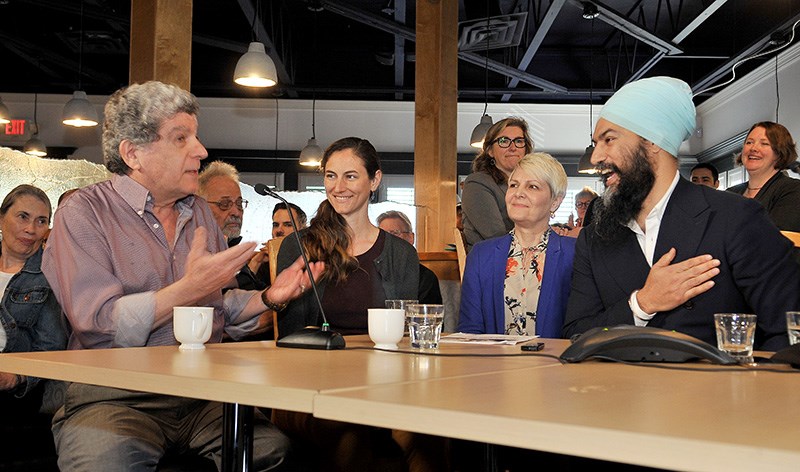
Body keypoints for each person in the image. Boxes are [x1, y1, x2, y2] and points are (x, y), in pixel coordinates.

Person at [42, 81, 323, 471]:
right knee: (104, 464)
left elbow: (213, 305)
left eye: (196, 135)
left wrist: (270, 297)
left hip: (201, 394)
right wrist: (188, 288)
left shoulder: (199, 212)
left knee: (272, 451)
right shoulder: (84, 214)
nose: (201, 150)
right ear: (133, 153)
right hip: (115, 395)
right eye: (181, 138)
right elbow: (97, 325)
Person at [562, 76, 800, 351]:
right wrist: (643, 304)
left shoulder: (735, 218)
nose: (595, 157)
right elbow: (576, 335)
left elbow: (788, 334)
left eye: (609, 140)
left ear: (652, 141)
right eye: (596, 142)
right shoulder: (595, 236)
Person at [274, 138, 438, 472]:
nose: (338, 187)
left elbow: (404, 338)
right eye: (331, 176)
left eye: (350, 176)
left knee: (435, 433)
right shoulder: (299, 247)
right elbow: (292, 338)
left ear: (374, 180)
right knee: (355, 426)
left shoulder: (401, 253)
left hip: (386, 384)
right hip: (311, 387)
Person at [458, 153, 575, 337]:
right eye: (514, 185)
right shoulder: (481, 255)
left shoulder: (575, 254)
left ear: (555, 201)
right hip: (493, 365)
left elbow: (581, 331)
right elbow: (469, 331)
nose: (518, 193)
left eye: (533, 186)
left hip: (556, 364)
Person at [1, 184, 67, 418]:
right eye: (22, 217)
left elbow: (52, 348)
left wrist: (15, 377)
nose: (31, 229)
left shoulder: (51, 275)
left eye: (41, 221)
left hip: (16, 391)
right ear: (2, 218)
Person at [461, 117, 534, 251]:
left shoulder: (531, 185)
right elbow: (497, 237)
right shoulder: (477, 183)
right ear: (490, 151)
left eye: (518, 141)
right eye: (504, 141)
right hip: (491, 262)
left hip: (526, 259)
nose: (513, 148)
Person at [197, 160, 266, 291]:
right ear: (201, 207)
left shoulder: (231, 248)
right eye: (224, 203)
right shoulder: (190, 251)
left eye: (239, 204)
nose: (236, 212)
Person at [727, 121, 800, 232]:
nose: (753, 148)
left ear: (780, 152)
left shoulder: (793, 190)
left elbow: (775, 237)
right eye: (749, 142)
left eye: (764, 143)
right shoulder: (729, 193)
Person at [376, 210, 443, 304]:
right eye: (383, 235)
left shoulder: (425, 277)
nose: (388, 239)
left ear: (410, 238)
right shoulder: (371, 273)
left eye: (394, 233)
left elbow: (427, 315)